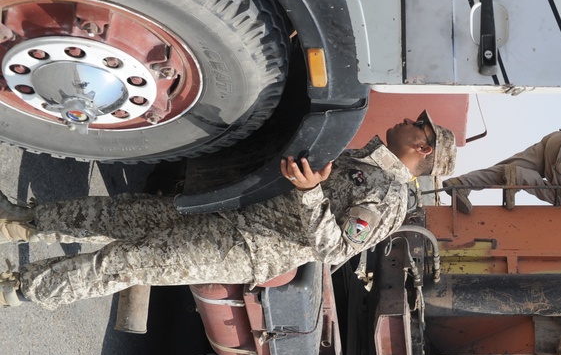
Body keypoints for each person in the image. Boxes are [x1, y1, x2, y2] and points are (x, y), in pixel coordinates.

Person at [0, 111, 456, 309]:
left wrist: (311, 193)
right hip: (233, 212)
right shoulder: (366, 159)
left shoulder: (392, 199)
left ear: (423, 146)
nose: (409, 120)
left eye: (419, 125)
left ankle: (18, 289)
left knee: (125, 263)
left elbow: (330, 249)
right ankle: (18, 223)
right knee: (123, 215)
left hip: (243, 246)